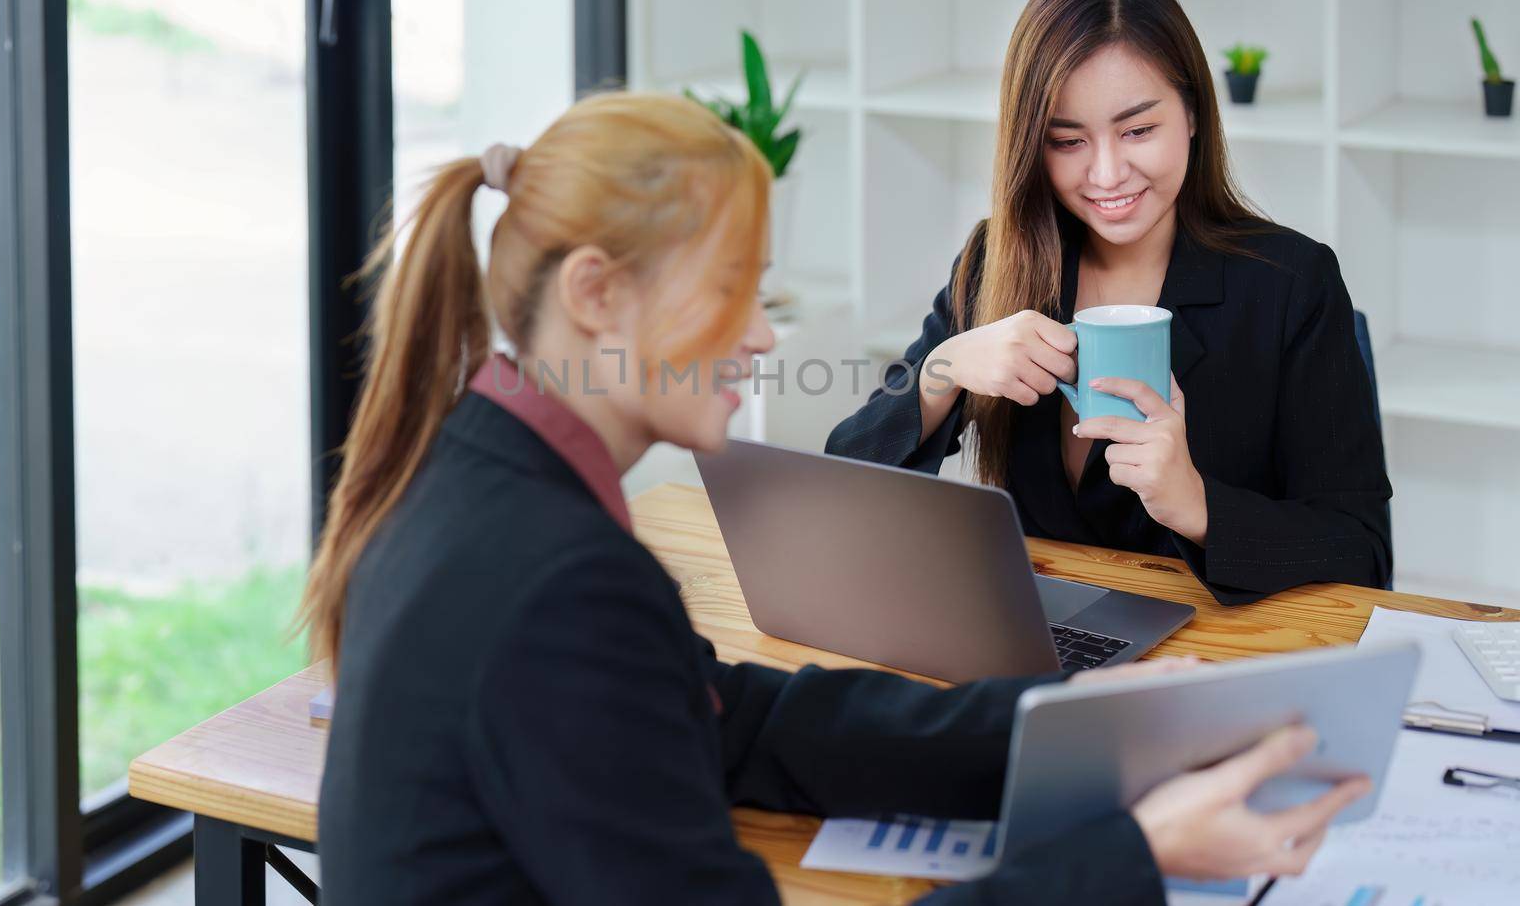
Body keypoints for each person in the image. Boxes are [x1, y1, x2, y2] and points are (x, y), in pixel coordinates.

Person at [304, 92, 1365, 905]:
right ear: (593, 293)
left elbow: (744, 720)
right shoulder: (561, 583)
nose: (763, 335)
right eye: (732, 290)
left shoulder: (474, 479)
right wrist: (1138, 852)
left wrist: (1074, 727)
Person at [827, 0, 1391, 605]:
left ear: (1194, 115)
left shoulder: (1291, 285)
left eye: (1138, 130)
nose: (1106, 173)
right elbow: (844, 482)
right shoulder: (996, 261)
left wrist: (1196, 506)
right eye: (1067, 141)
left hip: (1212, 658)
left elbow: (1361, 551)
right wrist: (946, 366)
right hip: (1037, 643)